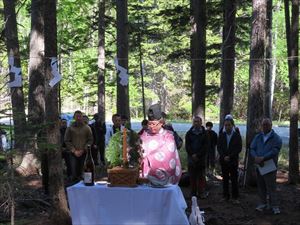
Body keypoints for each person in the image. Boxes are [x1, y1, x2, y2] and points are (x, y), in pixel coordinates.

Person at [140, 104, 182, 186]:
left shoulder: (168, 136)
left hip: (166, 176)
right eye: (150, 124)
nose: (152, 127)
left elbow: (169, 156)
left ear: (161, 123)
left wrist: (150, 156)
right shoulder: (144, 135)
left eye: (154, 124)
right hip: (146, 175)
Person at [250, 118, 282, 214]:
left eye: (267, 125)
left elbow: (275, 150)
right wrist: (255, 157)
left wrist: (263, 157)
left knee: (271, 186)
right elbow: (252, 148)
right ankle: (263, 203)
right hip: (259, 164)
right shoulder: (258, 136)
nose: (265, 126)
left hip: (269, 165)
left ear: (271, 126)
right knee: (261, 185)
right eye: (263, 125)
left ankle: (274, 206)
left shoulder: (276, 138)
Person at [217, 116, 242, 203]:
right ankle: (225, 196)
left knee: (234, 179)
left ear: (232, 125)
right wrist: (224, 156)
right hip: (223, 160)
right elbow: (219, 147)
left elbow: (239, 148)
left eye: (229, 125)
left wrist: (230, 156)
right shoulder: (221, 135)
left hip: (233, 160)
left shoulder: (237, 136)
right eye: (226, 125)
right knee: (225, 179)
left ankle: (235, 197)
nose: (227, 127)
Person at [64, 110, 93, 182]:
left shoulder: (87, 128)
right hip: (73, 153)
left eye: (80, 116)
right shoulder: (70, 128)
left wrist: (84, 149)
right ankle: (73, 187)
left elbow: (90, 140)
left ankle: (84, 188)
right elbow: (67, 140)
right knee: (73, 172)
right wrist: (74, 150)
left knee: (83, 171)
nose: (79, 118)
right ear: (74, 117)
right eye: (77, 116)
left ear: (82, 117)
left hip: (84, 153)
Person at [185, 116, 207, 198]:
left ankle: (201, 192)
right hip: (191, 159)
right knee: (192, 177)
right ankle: (193, 193)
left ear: (201, 123)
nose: (196, 123)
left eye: (198, 122)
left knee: (201, 176)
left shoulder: (205, 134)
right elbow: (187, 146)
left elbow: (205, 146)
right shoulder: (189, 133)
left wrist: (198, 155)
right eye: (195, 122)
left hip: (201, 159)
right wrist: (192, 154)